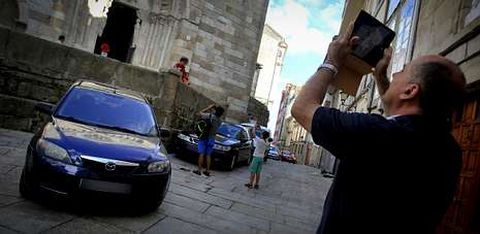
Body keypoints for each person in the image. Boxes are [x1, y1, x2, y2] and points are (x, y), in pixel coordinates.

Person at [291, 22, 466, 234]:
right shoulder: (449, 150)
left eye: (402, 71)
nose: (394, 75)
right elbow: (401, 124)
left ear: (410, 91)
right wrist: (381, 79)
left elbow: (302, 108)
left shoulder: (375, 133)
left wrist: (331, 62)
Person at [193, 104, 224, 176]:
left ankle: (199, 170)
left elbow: (198, 113)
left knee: (201, 153)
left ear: (215, 111)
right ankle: (207, 170)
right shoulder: (220, 121)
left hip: (204, 137)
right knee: (208, 155)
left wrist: (208, 108)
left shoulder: (209, 116)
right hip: (212, 138)